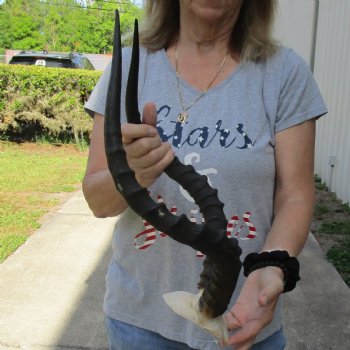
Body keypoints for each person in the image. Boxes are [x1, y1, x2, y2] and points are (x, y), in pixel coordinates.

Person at [82, 1, 327, 349]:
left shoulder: (284, 73)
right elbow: (97, 201)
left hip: (243, 321)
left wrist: (272, 265)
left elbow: (295, 194)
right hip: (139, 325)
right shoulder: (130, 68)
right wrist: (133, 172)